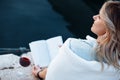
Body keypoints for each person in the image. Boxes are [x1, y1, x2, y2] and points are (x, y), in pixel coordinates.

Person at [32, 0, 120, 80]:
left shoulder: (72, 46)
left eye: (100, 17)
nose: (94, 17)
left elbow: (54, 72)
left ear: (109, 28)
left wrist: (39, 73)